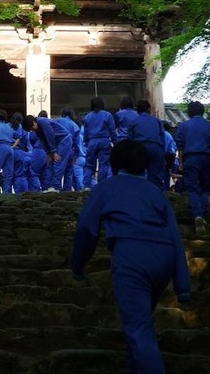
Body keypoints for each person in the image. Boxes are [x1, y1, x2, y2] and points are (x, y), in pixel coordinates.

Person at [71, 139, 191, 374]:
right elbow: (175, 234)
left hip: (131, 256)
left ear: (115, 164)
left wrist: (78, 265)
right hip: (164, 258)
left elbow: (86, 228)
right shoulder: (156, 192)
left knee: (139, 329)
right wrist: (182, 285)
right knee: (141, 322)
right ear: (144, 165)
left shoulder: (106, 187)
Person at [175, 101, 210, 234]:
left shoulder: (183, 126)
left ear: (188, 113)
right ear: (203, 111)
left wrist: (181, 162)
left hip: (190, 158)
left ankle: (197, 215)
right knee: (205, 187)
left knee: (192, 189)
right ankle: (203, 214)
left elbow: (180, 145)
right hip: (206, 157)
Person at [23, 113, 72, 193]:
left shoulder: (43, 122)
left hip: (63, 140)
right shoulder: (38, 129)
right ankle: (50, 186)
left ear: (34, 123)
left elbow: (50, 136)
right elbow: (43, 140)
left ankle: (56, 186)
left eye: (32, 127)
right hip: (56, 143)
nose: (33, 130)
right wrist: (49, 153)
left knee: (58, 162)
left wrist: (54, 152)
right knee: (50, 165)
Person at [130, 100, 166, 190]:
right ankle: (156, 197)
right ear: (149, 109)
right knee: (156, 176)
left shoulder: (134, 122)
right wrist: (163, 151)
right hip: (156, 148)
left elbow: (130, 139)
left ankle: (140, 195)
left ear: (137, 110)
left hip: (139, 148)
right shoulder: (156, 121)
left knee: (137, 174)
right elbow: (162, 137)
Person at [82, 96, 116, 189]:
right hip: (104, 140)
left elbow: (86, 131)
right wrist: (115, 142)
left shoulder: (87, 117)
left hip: (91, 141)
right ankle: (101, 185)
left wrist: (86, 142)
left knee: (89, 165)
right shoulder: (107, 115)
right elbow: (112, 131)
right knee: (104, 164)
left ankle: (86, 186)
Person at [57, 107, 81, 191]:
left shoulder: (57, 121)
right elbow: (76, 143)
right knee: (69, 173)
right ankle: (67, 192)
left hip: (58, 150)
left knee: (58, 171)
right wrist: (76, 155)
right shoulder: (74, 125)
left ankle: (56, 190)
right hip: (70, 150)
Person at [10, 112, 33, 194]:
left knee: (10, 176)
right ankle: (23, 195)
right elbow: (27, 143)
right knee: (21, 176)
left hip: (9, 152)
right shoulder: (23, 129)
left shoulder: (7, 127)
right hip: (21, 153)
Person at [28, 110, 49, 191]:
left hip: (38, 151)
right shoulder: (49, 125)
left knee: (34, 173)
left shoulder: (37, 126)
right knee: (45, 174)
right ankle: (46, 191)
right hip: (47, 152)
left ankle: (37, 191)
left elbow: (31, 138)